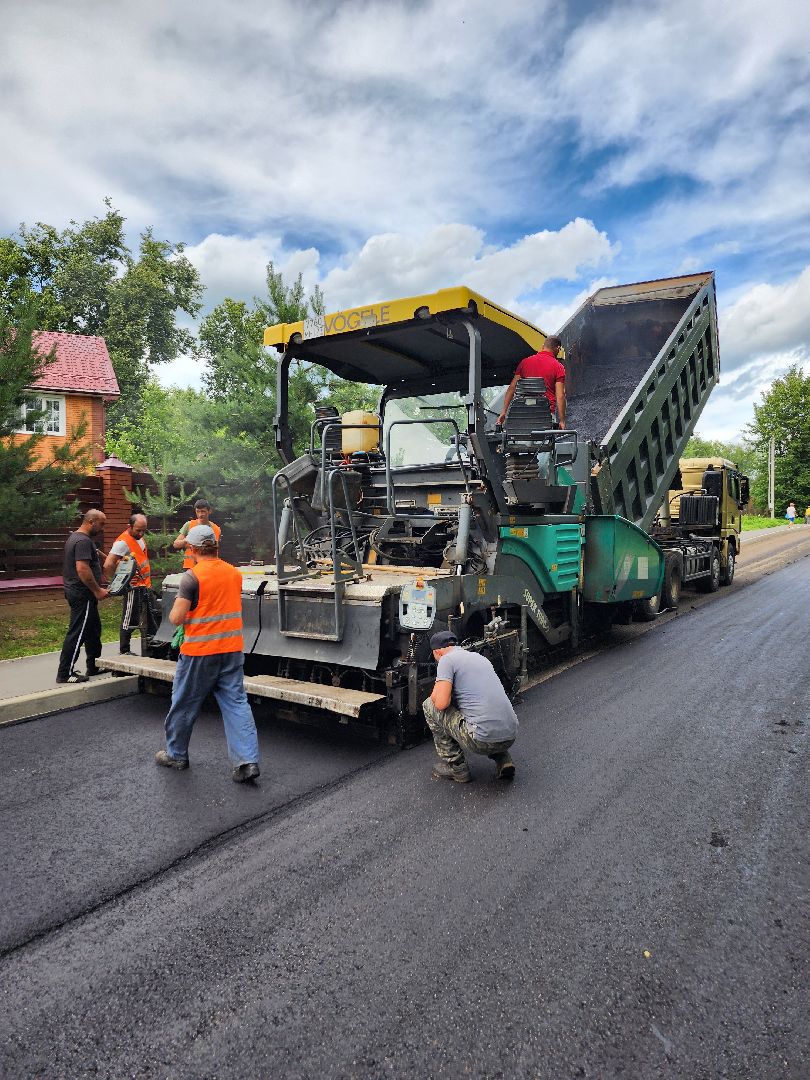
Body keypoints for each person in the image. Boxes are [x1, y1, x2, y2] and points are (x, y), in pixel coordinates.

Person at [155, 524, 260, 783]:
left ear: (191, 549)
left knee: (184, 703)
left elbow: (176, 617)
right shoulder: (233, 573)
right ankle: (246, 762)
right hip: (231, 650)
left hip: (199, 653)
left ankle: (176, 755)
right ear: (215, 546)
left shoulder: (192, 577)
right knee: (236, 704)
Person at [422, 630, 519, 783]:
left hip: (482, 741)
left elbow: (440, 703)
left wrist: (436, 692)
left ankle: (457, 768)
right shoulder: (479, 658)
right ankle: (503, 758)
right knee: (478, 706)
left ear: (437, 652)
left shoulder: (446, 660)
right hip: (510, 735)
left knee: (429, 705)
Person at [56, 509, 110, 684]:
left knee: (93, 629)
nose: (103, 528)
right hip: (82, 594)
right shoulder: (83, 541)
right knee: (78, 632)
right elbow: (82, 569)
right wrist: (97, 590)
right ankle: (65, 673)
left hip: (79, 592)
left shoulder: (77, 538)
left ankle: (93, 665)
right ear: (91, 521)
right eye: (101, 524)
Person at [103, 514, 158, 654]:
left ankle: (153, 647)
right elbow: (108, 564)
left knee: (151, 615)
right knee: (129, 619)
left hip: (144, 585)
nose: (141, 533)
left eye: (144, 530)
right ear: (129, 526)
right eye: (138, 530)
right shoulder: (122, 543)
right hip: (132, 588)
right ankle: (124, 650)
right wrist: (119, 583)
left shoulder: (139, 538)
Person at [496, 334, 566, 430]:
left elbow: (512, 388)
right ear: (558, 348)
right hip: (545, 416)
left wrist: (503, 412)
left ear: (543, 346)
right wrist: (562, 420)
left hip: (523, 415)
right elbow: (560, 396)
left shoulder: (524, 362)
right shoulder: (558, 366)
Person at [173, 499, 222, 569]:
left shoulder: (216, 529)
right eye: (197, 511)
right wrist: (187, 540)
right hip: (191, 566)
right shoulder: (189, 525)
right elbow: (176, 544)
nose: (200, 514)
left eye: (203, 511)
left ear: (209, 511)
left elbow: (215, 550)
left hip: (209, 567)